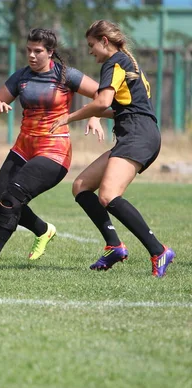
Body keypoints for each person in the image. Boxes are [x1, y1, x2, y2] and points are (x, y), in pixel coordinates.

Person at [49, 20, 175, 277]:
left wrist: (70, 117)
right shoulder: (128, 63)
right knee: (81, 186)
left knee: (108, 195)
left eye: (91, 45)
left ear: (104, 41)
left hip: (138, 135)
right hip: (136, 133)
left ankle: (158, 250)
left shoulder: (115, 62)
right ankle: (114, 246)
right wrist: (95, 115)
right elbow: (118, 107)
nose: (90, 51)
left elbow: (103, 100)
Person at [0, 28, 104, 266]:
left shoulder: (66, 75)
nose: (31, 55)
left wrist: (95, 117)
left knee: (11, 197)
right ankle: (43, 230)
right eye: (28, 50)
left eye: (38, 51)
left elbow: (102, 95)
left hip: (54, 151)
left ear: (50, 52)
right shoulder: (21, 76)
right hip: (23, 147)